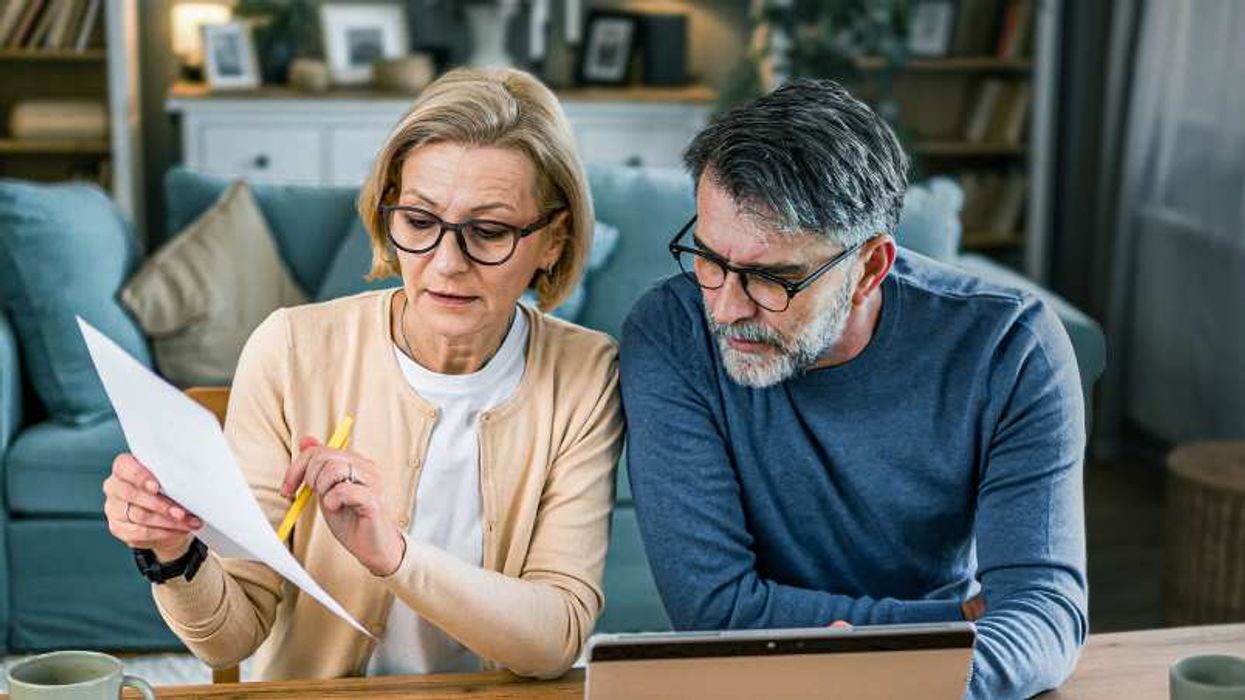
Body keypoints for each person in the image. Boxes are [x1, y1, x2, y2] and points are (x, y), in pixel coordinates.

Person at [102, 67, 623, 680]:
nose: (446, 264)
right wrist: (173, 553)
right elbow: (229, 641)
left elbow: (556, 638)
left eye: (488, 232)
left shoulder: (586, 373)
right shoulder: (290, 350)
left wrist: (395, 555)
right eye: (419, 222)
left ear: (554, 240)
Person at [619, 79, 1087, 699]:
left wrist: (891, 673)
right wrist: (950, 624)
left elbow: (1044, 616)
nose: (726, 309)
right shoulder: (670, 334)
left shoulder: (1011, 348)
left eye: (772, 277)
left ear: (870, 268)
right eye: (708, 259)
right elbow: (715, 611)